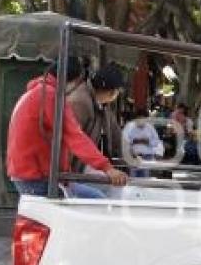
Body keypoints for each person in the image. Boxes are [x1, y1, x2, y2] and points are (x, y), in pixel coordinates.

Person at [7, 57, 127, 198]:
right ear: (74, 82)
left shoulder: (39, 92)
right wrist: (106, 168)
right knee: (98, 200)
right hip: (36, 178)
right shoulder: (51, 97)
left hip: (30, 174)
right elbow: (75, 136)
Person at [67, 61, 125, 165]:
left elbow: (116, 133)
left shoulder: (103, 105)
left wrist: (130, 155)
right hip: (75, 169)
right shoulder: (80, 102)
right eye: (117, 91)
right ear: (111, 91)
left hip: (87, 165)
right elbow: (72, 139)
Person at [122, 109, 164, 177]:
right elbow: (124, 141)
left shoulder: (150, 127)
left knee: (144, 180)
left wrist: (148, 142)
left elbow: (156, 141)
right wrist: (134, 141)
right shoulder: (129, 126)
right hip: (133, 157)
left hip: (147, 157)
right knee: (133, 180)